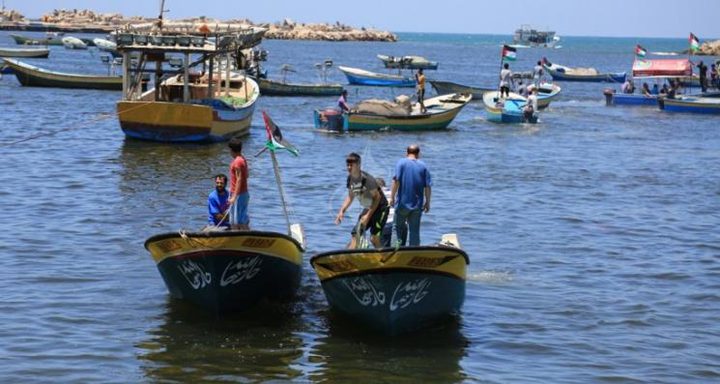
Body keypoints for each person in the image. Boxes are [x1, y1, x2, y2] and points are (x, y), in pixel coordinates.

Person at [335, 153, 389, 249]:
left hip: (381, 208)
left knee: (374, 239)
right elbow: (350, 196)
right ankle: (350, 259)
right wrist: (342, 211)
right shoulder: (350, 179)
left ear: (359, 165)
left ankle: (384, 260)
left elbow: (377, 198)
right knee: (356, 234)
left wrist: (368, 216)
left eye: (351, 165)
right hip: (369, 207)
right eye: (347, 165)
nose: (349, 167)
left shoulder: (368, 180)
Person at [390, 145, 432, 247]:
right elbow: (428, 186)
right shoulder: (423, 166)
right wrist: (427, 202)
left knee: (397, 228)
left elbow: (396, 181)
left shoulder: (401, 163)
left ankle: (395, 253)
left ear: (406, 153)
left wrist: (392, 197)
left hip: (402, 204)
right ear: (418, 154)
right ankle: (414, 253)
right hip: (417, 205)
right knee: (414, 231)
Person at [227, 136, 250, 230]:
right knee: (241, 219)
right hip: (243, 193)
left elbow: (239, 179)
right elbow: (247, 175)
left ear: (231, 150)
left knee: (237, 222)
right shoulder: (242, 159)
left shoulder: (237, 162)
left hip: (239, 195)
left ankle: (238, 239)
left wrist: (234, 197)